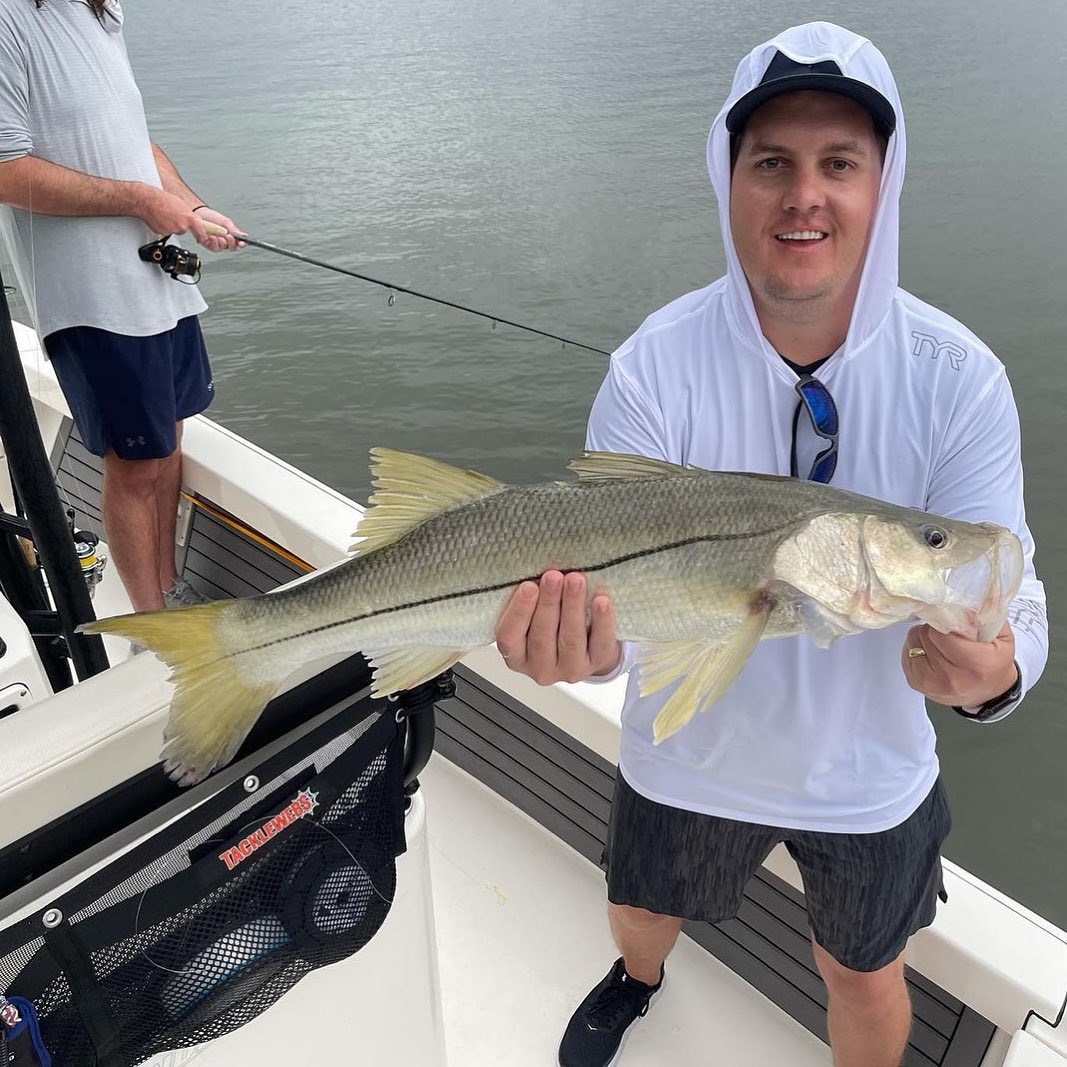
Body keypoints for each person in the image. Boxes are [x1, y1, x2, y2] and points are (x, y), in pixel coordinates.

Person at [495, 21, 1048, 1067]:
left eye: (838, 163)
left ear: (883, 185)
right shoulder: (652, 366)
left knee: (860, 971)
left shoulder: (958, 376)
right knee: (639, 910)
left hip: (870, 776)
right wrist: (581, 647)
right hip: (686, 754)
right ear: (728, 178)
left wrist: (995, 673)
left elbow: (1009, 590)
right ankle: (636, 978)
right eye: (772, 163)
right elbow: (612, 613)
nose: (805, 194)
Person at [0, 0, 242, 614]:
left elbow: (135, 141)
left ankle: (169, 598)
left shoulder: (102, 14)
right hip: (91, 296)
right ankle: (157, 627)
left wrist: (191, 206)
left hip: (156, 282)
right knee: (137, 468)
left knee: (168, 450)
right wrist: (139, 199)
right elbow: (6, 170)